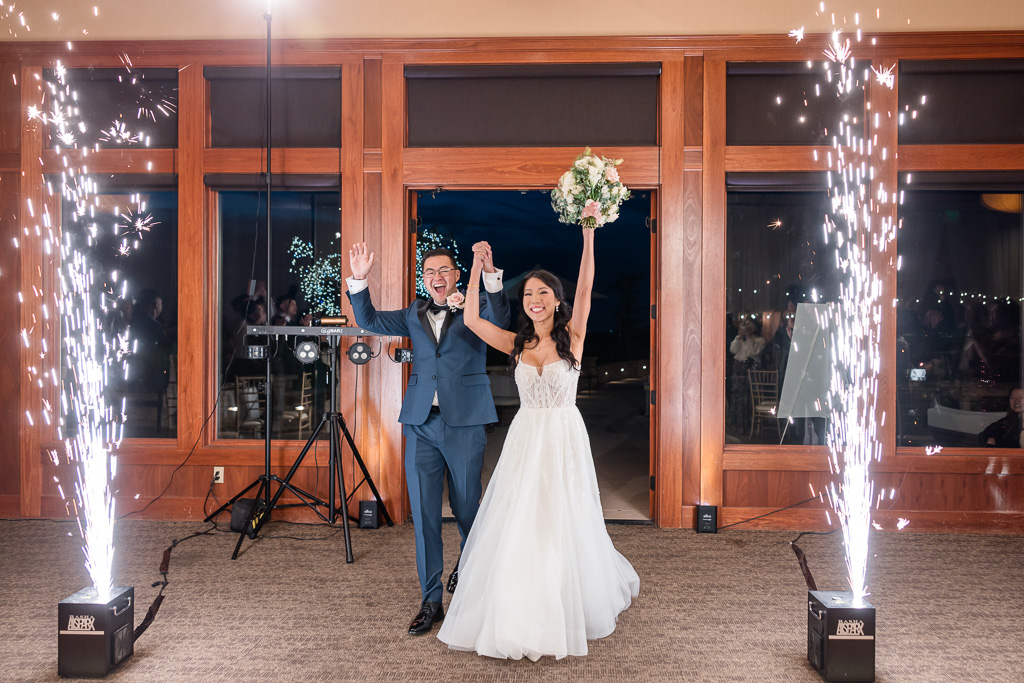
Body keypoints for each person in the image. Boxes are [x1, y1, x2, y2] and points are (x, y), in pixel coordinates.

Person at [437, 228, 639, 661]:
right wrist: (474, 268)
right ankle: (519, 601)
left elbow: (586, 284)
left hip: (564, 436)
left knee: (563, 513)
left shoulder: (575, 336)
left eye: (543, 292)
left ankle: (565, 596)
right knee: (521, 515)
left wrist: (588, 234)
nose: (534, 299)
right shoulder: (516, 342)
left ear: (555, 299)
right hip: (527, 438)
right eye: (529, 293)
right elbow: (472, 320)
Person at [345, 241, 510, 636]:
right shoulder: (412, 313)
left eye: (444, 271)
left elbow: (501, 316)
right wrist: (360, 278)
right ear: (424, 280)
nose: (437, 278)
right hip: (420, 423)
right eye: (429, 272)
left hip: (465, 422)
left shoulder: (477, 308)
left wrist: (487, 272)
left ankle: (470, 576)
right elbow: (368, 319)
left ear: (456, 275)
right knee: (424, 518)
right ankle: (430, 600)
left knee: (469, 510)